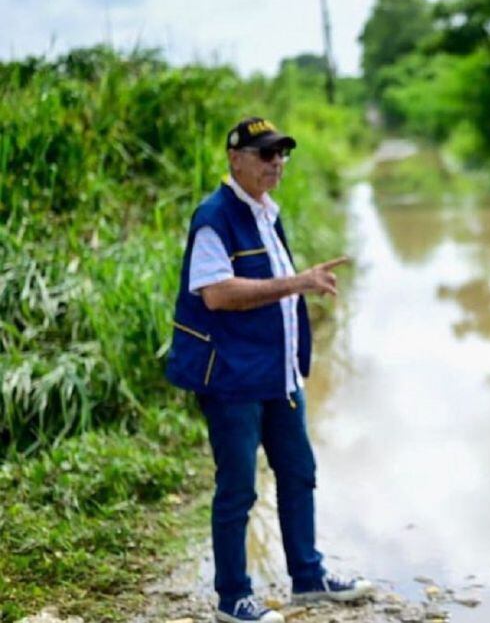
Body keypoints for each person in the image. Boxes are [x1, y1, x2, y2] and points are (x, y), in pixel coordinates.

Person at [165, 117, 372, 623]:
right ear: (235, 158)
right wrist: (297, 282)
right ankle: (233, 598)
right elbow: (217, 294)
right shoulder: (215, 216)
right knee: (237, 489)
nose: (276, 162)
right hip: (233, 381)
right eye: (265, 154)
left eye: (281, 154)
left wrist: (298, 288)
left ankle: (308, 576)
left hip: (278, 377)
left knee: (299, 472)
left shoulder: (265, 213)